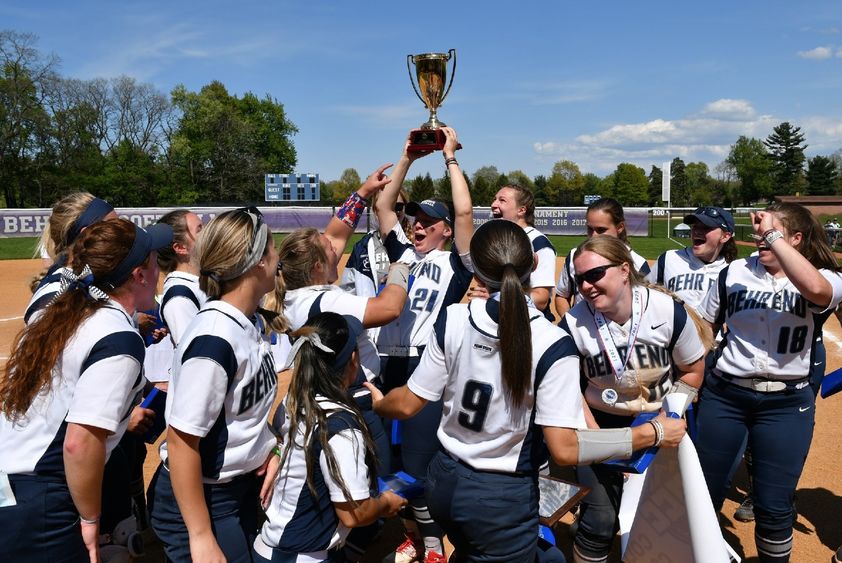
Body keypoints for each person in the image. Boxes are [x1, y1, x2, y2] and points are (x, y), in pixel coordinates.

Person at [367, 220, 687, 563]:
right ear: (534, 263)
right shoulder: (553, 342)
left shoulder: (454, 318)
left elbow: (407, 404)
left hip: (444, 481)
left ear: (477, 270)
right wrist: (650, 433)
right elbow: (564, 449)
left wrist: (380, 403)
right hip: (500, 496)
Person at [0, 218, 172, 562]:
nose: (160, 272)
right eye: (154, 263)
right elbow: (79, 442)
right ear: (138, 275)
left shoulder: (72, 311)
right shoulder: (117, 336)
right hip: (41, 502)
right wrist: (91, 520)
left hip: (13, 488)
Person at [694, 202, 842, 563]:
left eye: (772, 231)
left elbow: (818, 293)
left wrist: (772, 236)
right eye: (761, 230)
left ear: (796, 238)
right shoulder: (732, 273)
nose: (759, 235)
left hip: (786, 404)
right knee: (703, 492)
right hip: (725, 395)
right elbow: (705, 329)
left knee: (774, 505)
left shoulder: (826, 276)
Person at [276, 164, 410, 561]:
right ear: (318, 267)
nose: (337, 246)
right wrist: (401, 265)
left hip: (318, 401)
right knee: (370, 488)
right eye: (329, 251)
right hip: (350, 401)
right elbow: (389, 307)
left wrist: (363, 193)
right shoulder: (327, 300)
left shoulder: (297, 292)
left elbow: (334, 234)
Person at [560, 235, 707, 563]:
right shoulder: (574, 322)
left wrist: (671, 416)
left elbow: (693, 370)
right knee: (599, 521)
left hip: (660, 424)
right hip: (598, 422)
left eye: (595, 274)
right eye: (579, 279)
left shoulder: (666, 310)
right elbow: (566, 386)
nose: (586, 286)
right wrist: (600, 437)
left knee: (663, 517)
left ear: (625, 270)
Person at [150, 207, 283, 563]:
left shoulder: (247, 321)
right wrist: (201, 536)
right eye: (271, 249)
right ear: (255, 261)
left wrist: (269, 449)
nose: (277, 257)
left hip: (234, 490)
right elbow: (181, 443)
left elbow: (241, 414)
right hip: (202, 503)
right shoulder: (214, 340)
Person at [374, 128, 474, 563]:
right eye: (414, 219)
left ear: (446, 232)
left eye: (427, 221)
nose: (416, 225)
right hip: (382, 364)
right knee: (387, 465)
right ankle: (413, 535)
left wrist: (450, 159)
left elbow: (467, 213)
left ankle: (433, 544)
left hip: (423, 369)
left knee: (415, 468)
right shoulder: (403, 251)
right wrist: (407, 158)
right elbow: (382, 204)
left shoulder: (454, 264)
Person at [254, 312, 407, 562]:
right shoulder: (341, 426)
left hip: (269, 548)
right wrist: (386, 504)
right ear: (353, 360)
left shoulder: (292, 402)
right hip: (305, 557)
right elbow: (354, 514)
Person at [26, 192, 117, 323]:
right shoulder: (56, 297)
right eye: (114, 228)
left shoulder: (92, 279)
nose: (123, 233)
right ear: (87, 236)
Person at [555, 197, 650, 317]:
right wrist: (571, 325)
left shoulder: (638, 264)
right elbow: (562, 296)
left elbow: (647, 306)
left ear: (620, 227)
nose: (594, 236)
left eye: (601, 230)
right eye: (590, 229)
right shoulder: (576, 256)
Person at [485, 183, 556, 319]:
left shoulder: (538, 243)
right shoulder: (498, 239)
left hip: (527, 325)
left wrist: (496, 298)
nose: (493, 204)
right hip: (498, 319)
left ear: (521, 210)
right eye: (495, 199)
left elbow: (541, 299)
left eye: (502, 200)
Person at [647, 206, 737, 308]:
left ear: (725, 236)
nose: (697, 231)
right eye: (695, 226)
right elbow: (644, 295)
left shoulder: (732, 272)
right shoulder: (669, 259)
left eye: (706, 227)